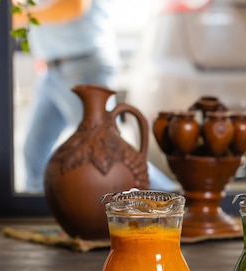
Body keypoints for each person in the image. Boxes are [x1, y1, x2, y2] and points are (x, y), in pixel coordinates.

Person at [13, 0, 175, 192]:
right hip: (52, 69)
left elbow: (74, 6)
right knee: (34, 153)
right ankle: (39, 214)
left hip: (84, 66)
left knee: (111, 151)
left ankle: (174, 202)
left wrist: (20, 15)